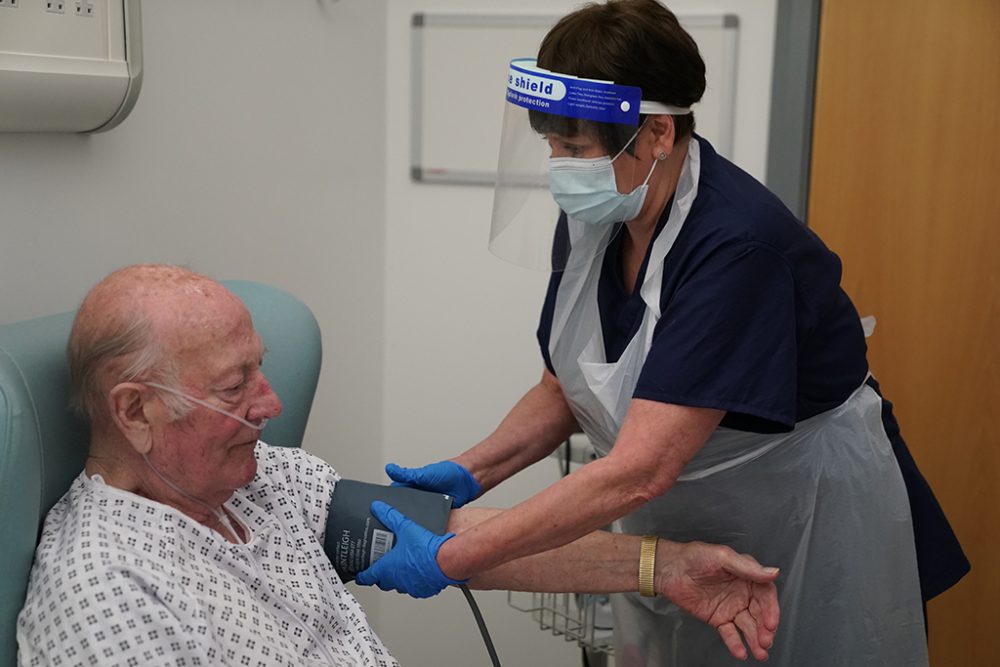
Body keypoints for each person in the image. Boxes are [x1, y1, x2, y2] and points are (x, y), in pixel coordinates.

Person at [356, 1, 970, 665]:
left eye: (577, 148)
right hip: (691, 515)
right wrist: (470, 472)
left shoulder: (737, 251)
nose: (560, 168)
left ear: (655, 134)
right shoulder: (601, 216)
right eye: (552, 146)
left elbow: (639, 470)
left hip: (809, 519)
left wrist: (458, 554)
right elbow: (567, 386)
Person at [16, 264, 782, 666]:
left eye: (261, 369)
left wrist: (666, 565)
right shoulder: (106, 594)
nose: (272, 403)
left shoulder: (258, 483)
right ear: (135, 412)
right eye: (234, 386)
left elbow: (459, 537)